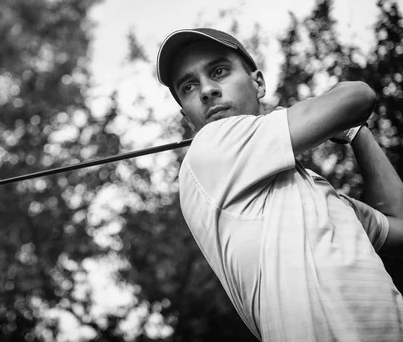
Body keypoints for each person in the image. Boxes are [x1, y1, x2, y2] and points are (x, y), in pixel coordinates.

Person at [156, 28, 403, 341]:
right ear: (187, 115)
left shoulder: (319, 192)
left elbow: (399, 224)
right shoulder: (210, 148)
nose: (206, 90)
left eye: (219, 71)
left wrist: (357, 132)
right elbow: (358, 96)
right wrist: (321, 114)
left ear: (258, 83)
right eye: (189, 87)